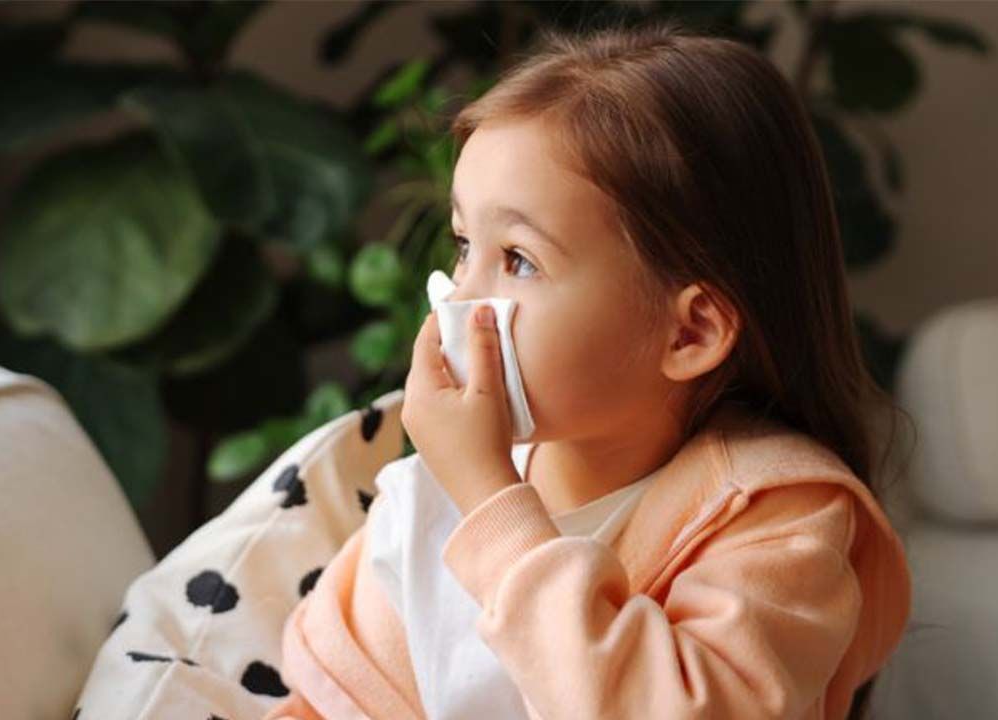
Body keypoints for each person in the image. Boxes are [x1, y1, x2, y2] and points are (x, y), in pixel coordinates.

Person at [264, 17, 913, 720]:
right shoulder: (435, 493)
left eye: (519, 260)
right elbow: (336, 696)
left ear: (690, 332)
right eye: (463, 244)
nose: (460, 297)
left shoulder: (777, 520)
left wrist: (490, 504)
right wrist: (470, 489)